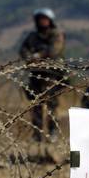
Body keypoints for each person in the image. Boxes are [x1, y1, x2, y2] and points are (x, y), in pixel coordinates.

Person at [19, 8, 65, 142]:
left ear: (50, 21)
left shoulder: (56, 34)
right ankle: (37, 134)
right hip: (36, 73)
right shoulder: (33, 36)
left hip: (52, 73)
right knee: (36, 104)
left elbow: (54, 50)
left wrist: (38, 56)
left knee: (52, 104)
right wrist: (30, 58)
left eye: (45, 19)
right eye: (40, 19)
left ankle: (53, 132)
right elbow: (23, 49)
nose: (42, 22)